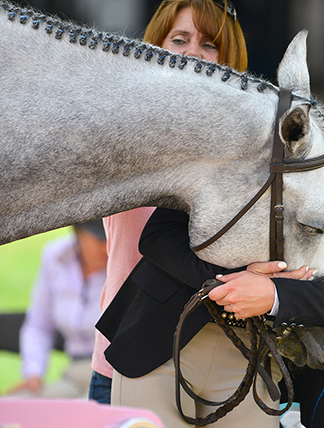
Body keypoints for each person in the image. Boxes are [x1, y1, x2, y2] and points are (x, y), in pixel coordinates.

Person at [96, 90, 324, 427]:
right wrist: (229, 282)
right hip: (164, 340)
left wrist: (272, 295)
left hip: (258, 363)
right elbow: (160, 235)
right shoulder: (269, 132)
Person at [88, 0, 248, 405]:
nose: (193, 52)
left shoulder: (247, 152)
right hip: (127, 357)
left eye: (210, 44)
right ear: (155, 46)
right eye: (180, 39)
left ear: (230, 60)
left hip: (222, 368)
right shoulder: (122, 128)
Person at [7, 220, 107, 399]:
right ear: (79, 232)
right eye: (100, 240)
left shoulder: (128, 262)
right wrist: (33, 373)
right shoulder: (55, 256)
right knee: (13, 407)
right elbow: (39, 324)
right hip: (74, 373)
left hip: (112, 376)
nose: (107, 247)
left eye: (111, 238)